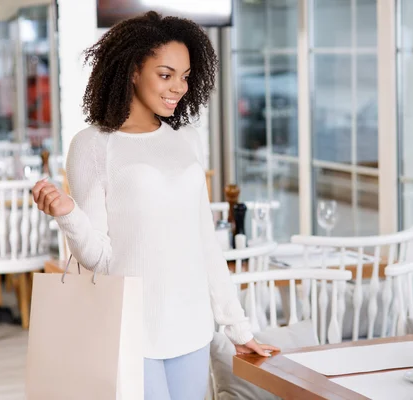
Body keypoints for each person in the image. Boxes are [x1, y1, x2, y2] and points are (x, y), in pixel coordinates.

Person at [32, 12, 278, 400]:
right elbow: (98, 259)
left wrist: (239, 330)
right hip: (131, 329)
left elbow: (206, 243)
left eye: (184, 76)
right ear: (132, 70)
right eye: (165, 75)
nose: (178, 87)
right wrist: (68, 214)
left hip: (192, 327)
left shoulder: (187, 140)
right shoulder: (93, 145)